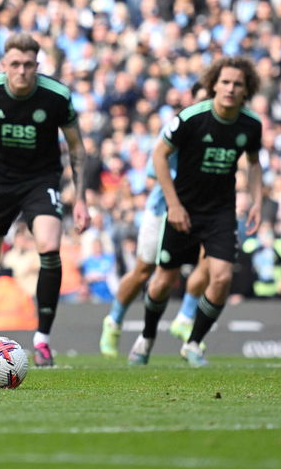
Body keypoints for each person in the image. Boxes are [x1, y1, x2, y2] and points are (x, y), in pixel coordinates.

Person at [0, 32, 91, 368]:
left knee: (49, 245)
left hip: (40, 179)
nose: (21, 71)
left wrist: (82, 200)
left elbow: (76, 147)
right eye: (15, 64)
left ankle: (43, 340)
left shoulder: (56, 96)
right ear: (4, 65)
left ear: (37, 66)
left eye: (28, 65)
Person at [128, 56, 264, 367]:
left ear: (247, 90)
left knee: (222, 278)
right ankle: (146, 337)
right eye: (225, 82)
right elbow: (159, 154)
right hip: (183, 210)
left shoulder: (250, 125)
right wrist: (173, 204)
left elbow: (254, 163)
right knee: (163, 281)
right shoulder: (191, 117)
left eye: (237, 84)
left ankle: (193, 343)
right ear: (214, 84)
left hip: (220, 212)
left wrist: (256, 200)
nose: (230, 88)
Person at [100, 92, 210, 360]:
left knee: (214, 260)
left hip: (200, 211)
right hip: (163, 210)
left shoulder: (219, 133)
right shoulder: (177, 129)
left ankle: (185, 315)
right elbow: (153, 173)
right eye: (202, 99)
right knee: (145, 271)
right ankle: (114, 321)